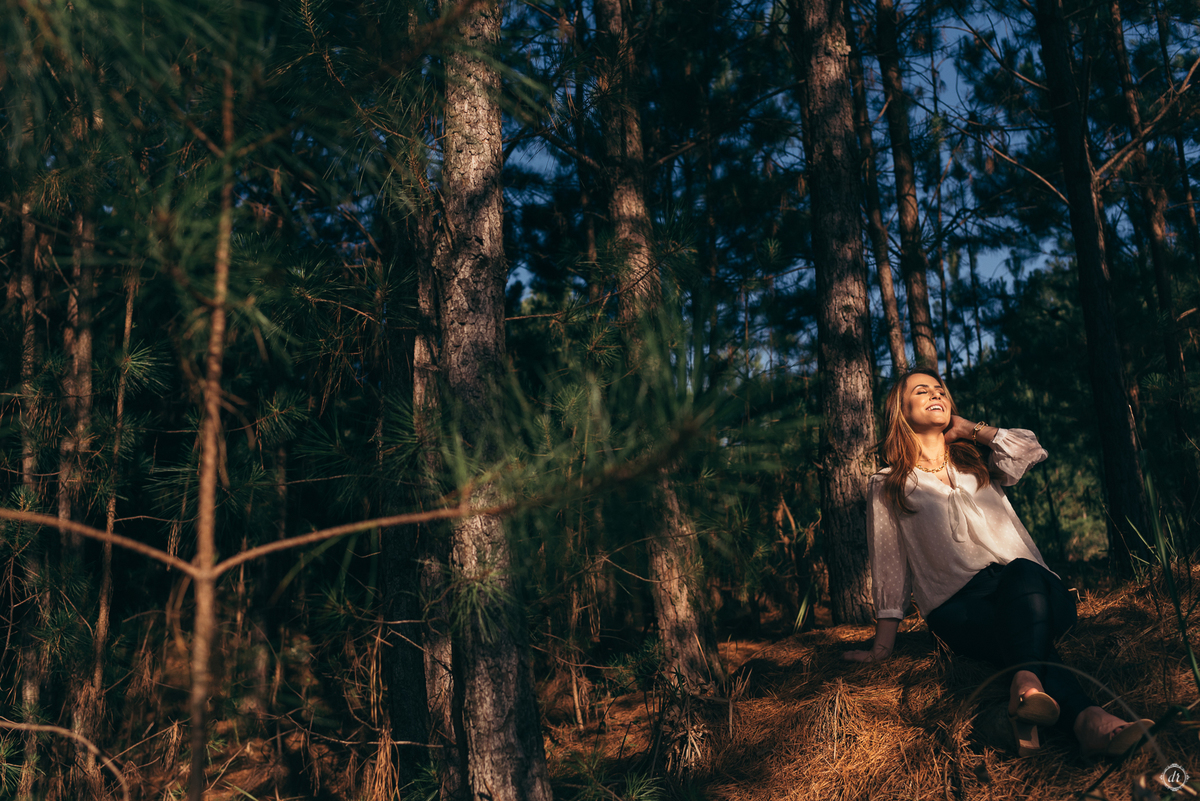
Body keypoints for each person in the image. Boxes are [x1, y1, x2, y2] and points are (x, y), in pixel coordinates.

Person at [843, 368, 1152, 758]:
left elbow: (1029, 449)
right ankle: (1088, 720)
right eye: (921, 391)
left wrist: (971, 429)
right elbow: (890, 567)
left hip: (1034, 591)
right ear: (900, 411)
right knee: (1021, 637)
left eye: (941, 390)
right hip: (961, 609)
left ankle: (1024, 684)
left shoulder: (978, 461)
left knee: (1020, 571)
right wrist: (882, 647)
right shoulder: (888, 483)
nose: (936, 394)